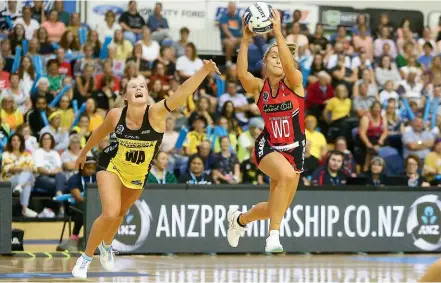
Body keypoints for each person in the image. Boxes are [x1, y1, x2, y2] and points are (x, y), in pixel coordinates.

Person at [71, 59, 219, 279]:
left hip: (138, 173)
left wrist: (204, 71)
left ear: (147, 94)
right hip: (111, 164)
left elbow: (182, 93)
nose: (139, 88)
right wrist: (84, 152)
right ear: (125, 96)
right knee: (110, 212)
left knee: (121, 213)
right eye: (133, 86)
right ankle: (85, 258)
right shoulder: (115, 115)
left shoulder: (157, 113)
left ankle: (107, 245)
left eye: (142, 86)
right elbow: (99, 133)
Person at [228, 10, 305, 253]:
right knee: (285, 176)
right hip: (268, 146)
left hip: (295, 149)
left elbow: (288, 61)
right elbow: (241, 74)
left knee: (277, 208)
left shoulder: (295, 81)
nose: (279, 60)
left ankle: (239, 220)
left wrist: (279, 33)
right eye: (273, 56)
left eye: (282, 57)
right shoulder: (259, 87)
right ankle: (273, 237)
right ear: (264, 60)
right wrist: (245, 38)